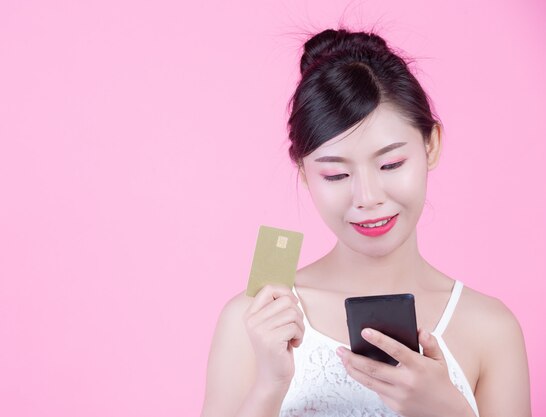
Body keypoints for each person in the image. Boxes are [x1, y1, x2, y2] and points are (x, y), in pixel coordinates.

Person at [200, 28, 531, 417]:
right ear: (304, 173)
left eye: (391, 164)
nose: (367, 197)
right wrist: (270, 386)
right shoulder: (254, 322)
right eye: (336, 175)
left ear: (431, 145)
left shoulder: (491, 329)